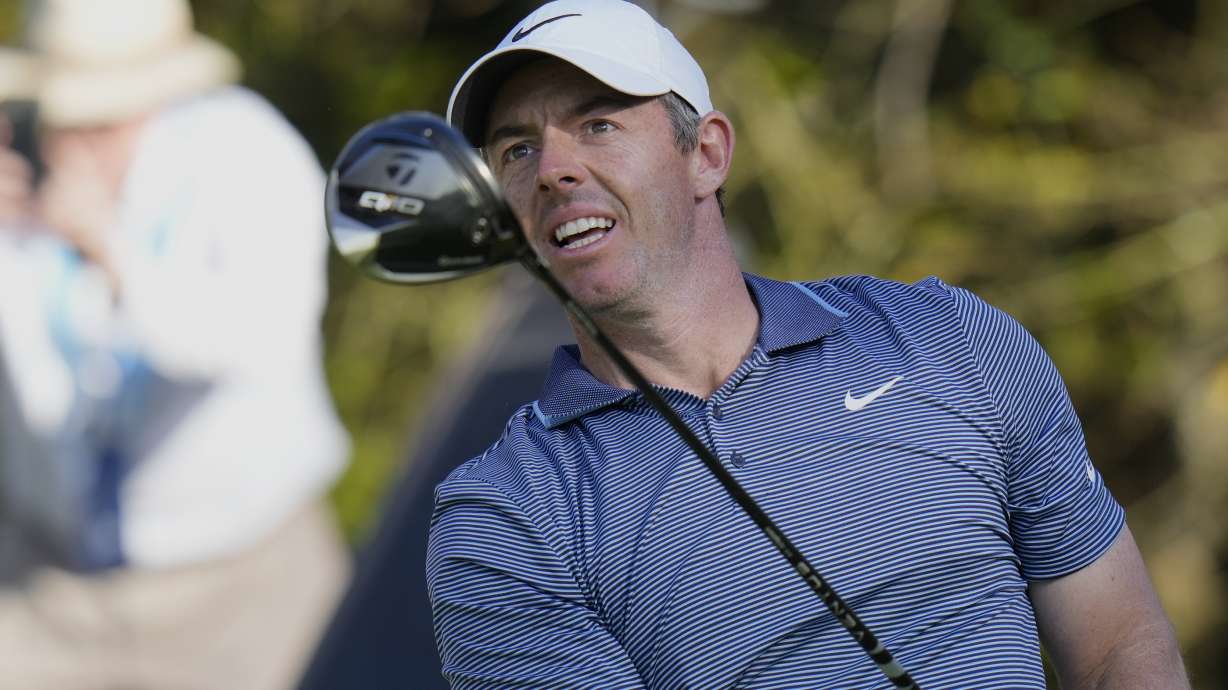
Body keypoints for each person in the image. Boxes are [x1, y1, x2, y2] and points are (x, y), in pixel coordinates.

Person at [424, 1, 1190, 688]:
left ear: (707, 154)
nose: (553, 170)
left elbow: (1118, 644)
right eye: (516, 151)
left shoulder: (946, 337)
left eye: (599, 125)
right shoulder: (503, 520)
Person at [0, 1, 350, 688]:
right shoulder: (17, 159)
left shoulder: (250, 155)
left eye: (100, 122)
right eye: (58, 117)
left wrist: (109, 251)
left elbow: (252, 344)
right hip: (45, 586)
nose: (70, 144)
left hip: (243, 580)